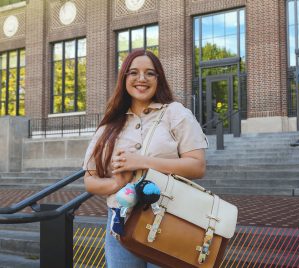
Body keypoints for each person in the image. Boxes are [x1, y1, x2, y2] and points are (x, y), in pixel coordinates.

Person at [82, 49, 208, 267]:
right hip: (120, 221)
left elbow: (197, 166)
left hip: (169, 217)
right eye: (134, 72)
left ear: (159, 79)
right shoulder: (109, 125)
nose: (142, 79)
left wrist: (142, 162)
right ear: (124, 78)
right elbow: (90, 179)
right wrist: (115, 183)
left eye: (150, 73)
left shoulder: (175, 113)